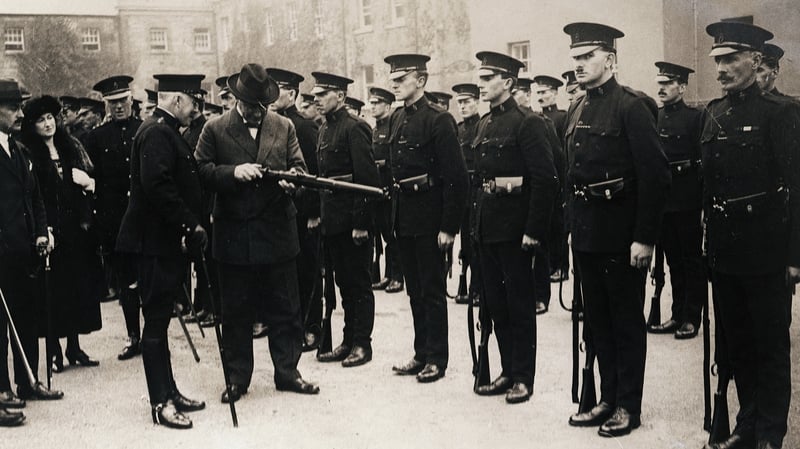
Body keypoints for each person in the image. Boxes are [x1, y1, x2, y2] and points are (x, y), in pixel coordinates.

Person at [562, 22, 670, 438]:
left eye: (587, 56)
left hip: (622, 238)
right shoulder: (577, 108)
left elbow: (655, 175)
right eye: (575, 58)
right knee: (598, 322)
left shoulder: (631, 106)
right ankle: (606, 397)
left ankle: (628, 404)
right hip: (588, 236)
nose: (579, 65)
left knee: (625, 322)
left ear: (610, 59)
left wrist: (644, 237)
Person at [701, 22, 799, 449]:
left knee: (770, 347)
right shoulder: (713, 114)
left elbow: (797, 189)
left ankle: (769, 435)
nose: (721, 69)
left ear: (755, 61)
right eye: (717, 60)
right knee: (737, 344)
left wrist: (796, 256)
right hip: (726, 253)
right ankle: (745, 424)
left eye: (730, 59)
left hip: (767, 252)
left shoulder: (781, 114)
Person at [195, 63, 319, 402]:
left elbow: (300, 168)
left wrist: (290, 181)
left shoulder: (284, 125)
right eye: (250, 105)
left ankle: (288, 371)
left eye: (261, 105)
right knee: (236, 311)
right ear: (236, 99)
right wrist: (234, 172)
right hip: (235, 234)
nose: (256, 111)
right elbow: (201, 171)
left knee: (286, 308)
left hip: (277, 229)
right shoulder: (215, 128)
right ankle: (237, 378)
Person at [116, 73, 208, 429]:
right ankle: (160, 404)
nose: (195, 110)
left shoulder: (163, 130)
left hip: (160, 243)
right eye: (193, 103)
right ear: (176, 101)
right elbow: (158, 187)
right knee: (155, 324)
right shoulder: (157, 132)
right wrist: (190, 224)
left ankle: (169, 390)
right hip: (151, 245)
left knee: (162, 319)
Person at [471, 51, 558, 404]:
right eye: (480, 77)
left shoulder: (528, 122)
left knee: (519, 305)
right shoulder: (484, 123)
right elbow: (482, 181)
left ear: (507, 82)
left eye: (487, 78)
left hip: (515, 231)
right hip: (488, 229)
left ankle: (523, 376)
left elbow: (545, 179)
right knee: (496, 304)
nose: (481, 84)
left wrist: (534, 231)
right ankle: (507, 370)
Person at [384, 53, 469, 383]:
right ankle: (421, 353)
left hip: (430, 217)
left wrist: (449, 227)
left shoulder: (438, 119)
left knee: (432, 290)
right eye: (393, 78)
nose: (395, 83)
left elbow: (456, 178)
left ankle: (437, 357)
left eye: (402, 78)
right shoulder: (395, 118)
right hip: (404, 216)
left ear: (420, 81)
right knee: (415, 290)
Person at [21, 95, 104, 373]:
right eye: (40, 120)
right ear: (32, 126)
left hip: (74, 230)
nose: (47, 124)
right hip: (51, 230)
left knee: (76, 287)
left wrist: (88, 183)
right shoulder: (31, 154)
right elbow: (36, 194)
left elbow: (86, 179)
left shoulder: (69, 148)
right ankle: (54, 350)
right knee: (52, 291)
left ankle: (74, 346)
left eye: (50, 118)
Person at [0, 79, 60, 427]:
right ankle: (3, 389)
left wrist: (42, 231)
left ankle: (28, 381)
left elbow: (34, 197)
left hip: (24, 250)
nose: (20, 113)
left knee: (26, 317)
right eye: (13, 108)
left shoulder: (19, 149)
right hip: (1, 252)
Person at [311, 72, 381, 367]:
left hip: (352, 222)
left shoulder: (356, 128)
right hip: (333, 221)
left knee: (358, 283)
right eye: (315, 95)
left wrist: (361, 224)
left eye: (322, 94)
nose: (316, 99)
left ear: (340, 97)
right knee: (342, 283)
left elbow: (366, 179)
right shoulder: (324, 129)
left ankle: (362, 343)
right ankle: (348, 339)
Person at [83, 76, 145, 362]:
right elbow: (91, 177)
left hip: (145, 216)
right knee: (126, 281)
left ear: (131, 101)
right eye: (113, 103)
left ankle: (154, 335)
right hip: (115, 221)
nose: (118, 107)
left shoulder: (144, 130)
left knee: (150, 277)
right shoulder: (96, 138)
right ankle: (134, 336)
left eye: (122, 101)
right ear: (106, 105)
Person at [646, 62, 707, 340]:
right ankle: (677, 313)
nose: (661, 88)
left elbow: (703, 162)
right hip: (663, 202)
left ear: (681, 87)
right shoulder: (653, 117)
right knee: (672, 262)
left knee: (691, 260)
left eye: (667, 83)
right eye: (659, 83)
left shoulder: (696, 118)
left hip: (687, 199)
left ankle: (692, 317)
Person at [265, 67, 324, 350]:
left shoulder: (304, 126)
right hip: (279, 211)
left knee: (307, 270)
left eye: (279, 89)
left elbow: (314, 173)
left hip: (302, 211)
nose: (273, 94)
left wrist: (314, 212)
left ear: (292, 93)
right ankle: (291, 325)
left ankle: (313, 326)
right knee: (284, 273)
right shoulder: (270, 123)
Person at [368, 86, 404, 294]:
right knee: (384, 234)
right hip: (378, 191)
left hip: (390, 190)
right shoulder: (374, 130)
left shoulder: (393, 127)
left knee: (393, 235)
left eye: (376, 103)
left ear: (388, 106)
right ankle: (388, 274)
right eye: (371, 103)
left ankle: (397, 276)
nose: (372, 107)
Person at [452, 83, 482, 305]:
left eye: (467, 102)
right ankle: (465, 281)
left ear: (477, 102)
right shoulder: (458, 129)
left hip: (479, 191)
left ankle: (478, 286)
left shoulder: (483, 125)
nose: (462, 106)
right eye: (460, 102)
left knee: (477, 240)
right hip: (463, 192)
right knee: (464, 240)